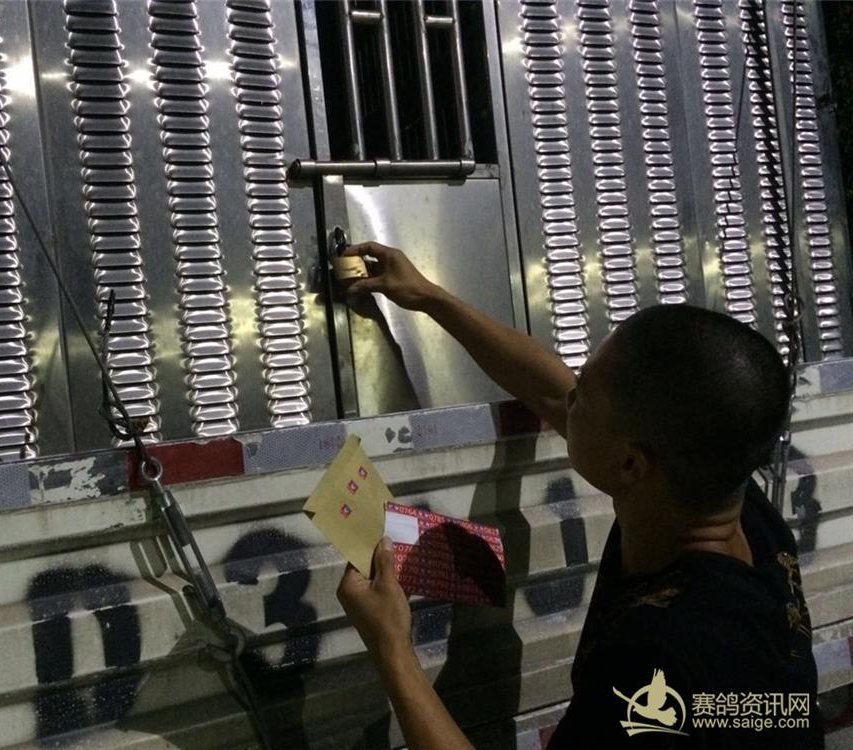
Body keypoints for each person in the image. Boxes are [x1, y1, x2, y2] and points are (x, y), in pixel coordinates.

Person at [335, 242, 823, 749]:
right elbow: (550, 390)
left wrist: (392, 647)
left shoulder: (657, 657)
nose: (570, 395)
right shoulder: (733, 505)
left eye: (584, 391)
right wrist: (429, 297)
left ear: (630, 464)